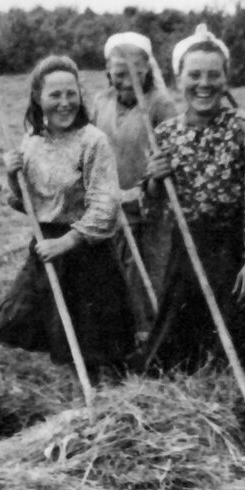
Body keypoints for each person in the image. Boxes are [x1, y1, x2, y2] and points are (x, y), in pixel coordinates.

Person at [0, 55, 134, 382]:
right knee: (29, 326)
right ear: (38, 98)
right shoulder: (31, 142)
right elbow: (26, 203)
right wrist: (13, 176)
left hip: (86, 249)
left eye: (71, 93)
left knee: (94, 342)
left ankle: (104, 397)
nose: (65, 103)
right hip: (46, 246)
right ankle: (69, 387)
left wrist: (67, 241)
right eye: (55, 95)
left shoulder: (93, 140)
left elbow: (105, 204)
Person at [142, 24, 245, 375]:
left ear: (226, 79)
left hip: (233, 251)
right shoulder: (164, 134)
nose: (204, 84)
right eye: (195, 75)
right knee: (178, 348)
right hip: (186, 248)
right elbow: (154, 207)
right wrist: (154, 182)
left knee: (233, 347)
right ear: (178, 80)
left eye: (213, 75)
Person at [86, 32, 178, 339]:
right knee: (108, 273)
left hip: (146, 207)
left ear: (147, 70)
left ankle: (145, 335)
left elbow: (169, 157)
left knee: (143, 274)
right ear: (109, 71)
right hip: (105, 204)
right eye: (119, 74)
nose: (125, 82)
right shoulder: (100, 102)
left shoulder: (160, 106)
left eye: (134, 74)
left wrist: (145, 186)